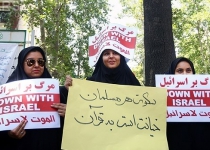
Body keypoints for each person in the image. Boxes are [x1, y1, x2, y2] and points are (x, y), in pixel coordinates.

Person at [0, 46, 67, 150]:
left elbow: (71, 128)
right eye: (31, 62)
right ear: (22, 64)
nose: (36, 65)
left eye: (40, 62)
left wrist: (68, 114)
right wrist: (9, 134)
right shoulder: (6, 92)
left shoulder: (57, 92)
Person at [166, 57, 209, 150]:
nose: (185, 74)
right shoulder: (163, 98)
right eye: (180, 71)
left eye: (188, 70)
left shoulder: (206, 95)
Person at [65, 49, 140, 89]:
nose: (111, 56)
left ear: (121, 58)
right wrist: (71, 90)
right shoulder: (91, 82)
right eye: (106, 54)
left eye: (115, 53)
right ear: (101, 59)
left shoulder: (131, 81)